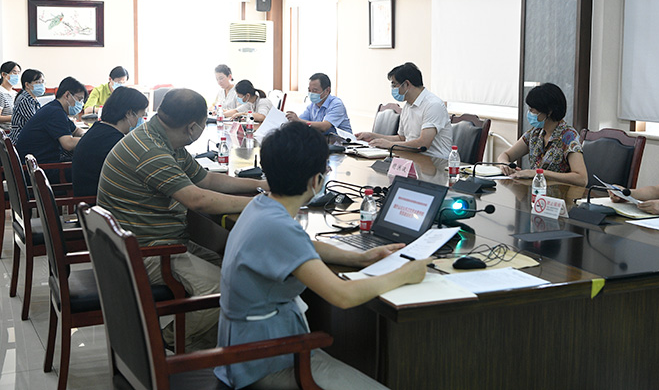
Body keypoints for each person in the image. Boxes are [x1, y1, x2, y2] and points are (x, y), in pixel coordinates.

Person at [215, 121, 429, 389]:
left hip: (249, 350)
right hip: (265, 362)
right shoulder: (279, 228)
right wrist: (404, 274)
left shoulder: (261, 206)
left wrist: (359, 258)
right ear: (316, 181)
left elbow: (301, 246)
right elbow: (343, 295)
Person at [97, 88, 268, 351]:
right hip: (146, 251)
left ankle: (215, 343)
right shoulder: (151, 150)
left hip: (149, 242)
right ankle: (164, 342)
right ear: (192, 127)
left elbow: (206, 179)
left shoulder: (160, 137)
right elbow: (197, 199)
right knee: (224, 288)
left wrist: (262, 186)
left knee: (234, 270)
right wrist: (262, 205)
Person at [496, 83, 587, 186]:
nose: (529, 113)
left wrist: (539, 173)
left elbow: (582, 179)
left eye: (532, 110)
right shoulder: (535, 133)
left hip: (560, 194)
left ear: (549, 111)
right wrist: (505, 165)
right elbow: (505, 155)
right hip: (536, 192)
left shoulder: (569, 136)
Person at [356, 62, 452, 159]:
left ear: (406, 84)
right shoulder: (408, 105)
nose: (393, 89)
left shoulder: (433, 105)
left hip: (435, 161)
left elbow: (423, 144)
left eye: (394, 85)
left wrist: (389, 144)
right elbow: (402, 138)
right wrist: (373, 136)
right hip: (411, 157)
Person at [72, 87, 148, 197]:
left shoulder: (100, 130)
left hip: (89, 199)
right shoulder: (113, 142)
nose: (141, 121)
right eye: (141, 116)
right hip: (98, 202)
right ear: (129, 113)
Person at [16, 76, 87, 165]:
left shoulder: (55, 108)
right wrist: (89, 140)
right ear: (67, 95)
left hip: (37, 163)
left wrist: (85, 135)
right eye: (79, 99)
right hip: (41, 167)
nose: (81, 104)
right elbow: (68, 144)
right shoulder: (55, 112)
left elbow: (76, 130)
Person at [286, 72, 352, 135]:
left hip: (342, 141)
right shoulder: (312, 105)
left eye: (315, 90)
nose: (311, 93)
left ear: (327, 90)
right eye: (309, 90)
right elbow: (301, 121)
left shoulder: (337, 104)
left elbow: (324, 127)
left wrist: (298, 120)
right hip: (324, 140)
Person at [9, 69, 45, 144]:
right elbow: (36, 122)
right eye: (38, 82)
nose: (41, 85)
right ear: (27, 85)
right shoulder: (24, 100)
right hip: (21, 140)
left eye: (42, 82)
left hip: (29, 137)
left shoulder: (32, 99)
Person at [0, 61, 21, 132]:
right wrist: (15, 117)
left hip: (17, 129)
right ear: (3, 74)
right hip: (6, 132)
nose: (17, 75)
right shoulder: (1, 93)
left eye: (18, 73)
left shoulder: (15, 94)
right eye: (14, 73)